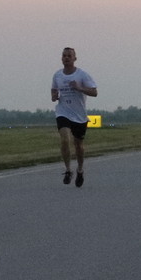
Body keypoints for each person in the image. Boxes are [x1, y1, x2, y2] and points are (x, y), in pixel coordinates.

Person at [51, 47, 98, 187]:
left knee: (78, 145)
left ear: (74, 58)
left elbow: (94, 92)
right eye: (64, 56)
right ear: (61, 58)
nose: (66, 58)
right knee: (65, 139)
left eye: (69, 56)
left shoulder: (82, 75)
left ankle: (80, 170)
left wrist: (79, 88)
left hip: (79, 116)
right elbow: (53, 90)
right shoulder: (57, 75)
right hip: (63, 112)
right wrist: (54, 96)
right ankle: (67, 170)